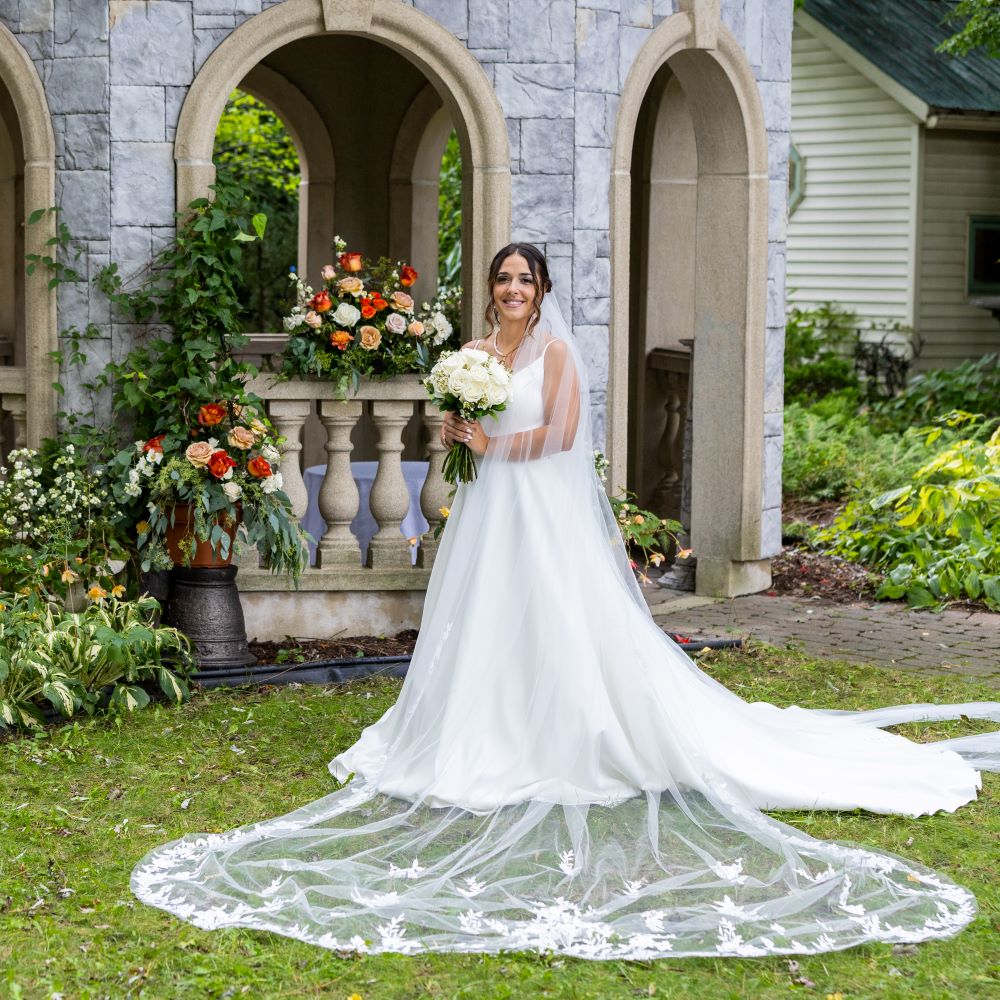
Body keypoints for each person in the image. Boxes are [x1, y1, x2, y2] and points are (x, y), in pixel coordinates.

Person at [132, 243, 999, 959]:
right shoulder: (477, 354)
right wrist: (455, 431)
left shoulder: (553, 351)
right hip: (484, 510)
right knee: (484, 620)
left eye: (524, 281)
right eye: (503, 280)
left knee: (553, 616)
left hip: (537, 502)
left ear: (540, 291)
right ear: (492, 292)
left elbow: (565, 433)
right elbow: (454, 428)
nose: (512, 291)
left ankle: (568, 729)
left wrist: (491, 441)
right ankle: (485, 725)